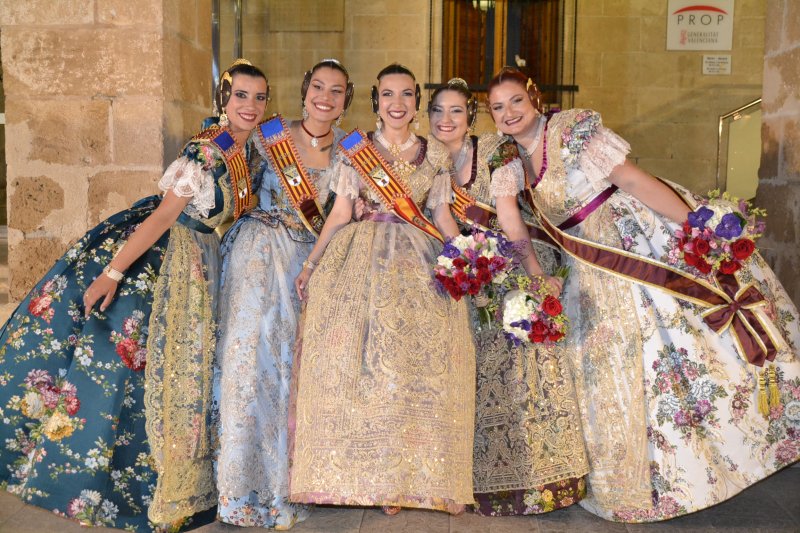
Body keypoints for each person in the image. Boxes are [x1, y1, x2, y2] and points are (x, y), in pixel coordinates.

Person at [486, 66, 800, 522]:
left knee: (670, 343)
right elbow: (513, 227)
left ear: (533, 98)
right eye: (498, 107)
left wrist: (697, 225)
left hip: (630, 242)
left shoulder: (572, 131)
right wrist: (536, 277)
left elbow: (632, 180)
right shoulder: (506, 160)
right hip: (584, 264)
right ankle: (635, 479)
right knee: (608, 365)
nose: (509, 112)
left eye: (516, 100)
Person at [0, 59, 269, 531]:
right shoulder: (205, 150)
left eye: (259, 97)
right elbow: (164, 217)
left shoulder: (249, 150)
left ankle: (182, 479)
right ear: (224, 99)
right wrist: (112, 273)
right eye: (241, 95)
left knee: (177, 371)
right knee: (131, 365)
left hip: (205, 261)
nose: (250, 105)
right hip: (171, 259)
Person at [290, 64, 476, 515]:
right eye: (388, 94)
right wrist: (312, 263)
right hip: (362, 261)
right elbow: (339, 213)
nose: (397, 103)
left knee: (413, 367)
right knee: (368, 368)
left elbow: (441, 214)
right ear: (376, 100)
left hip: (420, 262)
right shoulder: (356, 151)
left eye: (407, 94)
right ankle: (370, 477)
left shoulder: (434, 154)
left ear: (417, 102)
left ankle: (414, 477)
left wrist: (468, 257)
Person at [428, 78, 589, 516]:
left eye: (456, 110)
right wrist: (464, 263)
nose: (446, 119)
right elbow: (441, 218)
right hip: (468, 268)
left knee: (521, 357)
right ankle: (472, 481)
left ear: (470, 116)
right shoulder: (430, 160)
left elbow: (510, 218)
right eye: (438, 111)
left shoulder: (495, 152)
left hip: (513, 259)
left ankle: (541, 480)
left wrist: (535, 278)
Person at [213, 59, 353, 529]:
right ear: (304, 90)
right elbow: (223, 174)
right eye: (318, 87)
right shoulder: (267, 135)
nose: (325, 97)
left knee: (296, 372)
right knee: (249, 363)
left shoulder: (351, 152)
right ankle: (241, 486)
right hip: (257, 258)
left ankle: (292, 483)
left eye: (336, 90)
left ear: (347, 100)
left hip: (309, 265)